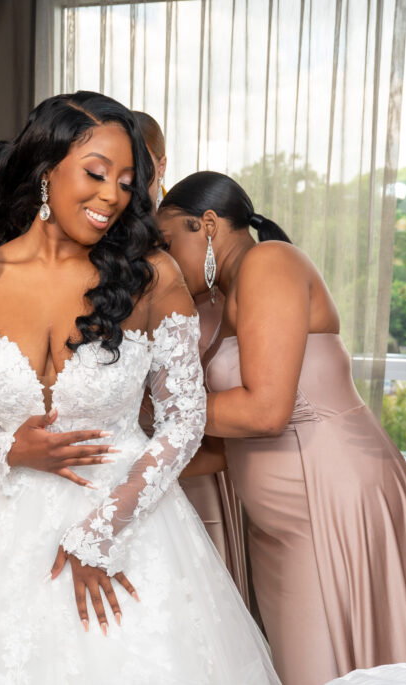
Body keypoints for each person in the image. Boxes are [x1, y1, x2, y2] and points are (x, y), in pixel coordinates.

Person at [0, 91, 279, 683]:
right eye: (96, 174)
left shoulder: (152, 277)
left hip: (127, 524)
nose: (112, 197)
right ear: (46, 169)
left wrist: (101, 531)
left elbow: (184, 421)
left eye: (126, 182)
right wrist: (4, 449)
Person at [160, 170, 406, 683]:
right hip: (282, 521)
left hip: (328, 496)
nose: (160, 258)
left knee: (329, 670)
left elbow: (266, 412)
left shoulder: (269, 262)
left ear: (206, 224)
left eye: (166, 240)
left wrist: (155, 413)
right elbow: (226, 446)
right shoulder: (219, 301)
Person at [133, 110, 250, 605]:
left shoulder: (190, 250)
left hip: (194, 454)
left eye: (135, 167)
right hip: (123, 450)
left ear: (159, 166)